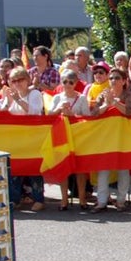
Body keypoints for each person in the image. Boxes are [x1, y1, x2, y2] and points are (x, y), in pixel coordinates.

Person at [90, 67, 131, 212]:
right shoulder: (103, 94)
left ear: (124, 81)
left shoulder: (129, 95)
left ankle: (121, 200)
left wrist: (115, 103)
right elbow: (94, 113)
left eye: (117, 78)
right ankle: (102, 201)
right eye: (111, 78)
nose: (113, 81)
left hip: (124, 137)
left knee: (123, 169)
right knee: (103, 168)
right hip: (106, 137)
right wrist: (106, 104)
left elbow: (130, 111)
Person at [0, 66, 46, 212]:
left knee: (34, 168)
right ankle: (15, 199)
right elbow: (3, 113)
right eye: (13, 81)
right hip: (16, 138)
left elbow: (34, 111)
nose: (17, 83)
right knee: (15, 168)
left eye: (20, 80)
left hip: (33, 137)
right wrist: (8, 100)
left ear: (27, 80)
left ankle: (38, 199)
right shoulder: (11, 95)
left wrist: (18, 100)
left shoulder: (34, 93)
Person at [49, 69, 92, 211]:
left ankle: (82, 199)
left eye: (71, 82)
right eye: (65, 82)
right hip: (62, 136)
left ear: (76, 83)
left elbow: (87, 117)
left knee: (80, 169)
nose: (67, 85)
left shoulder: (82, 98)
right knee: (63, 167)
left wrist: (72, 115)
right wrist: (59, 109)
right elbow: (49, 115)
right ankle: (64, 200)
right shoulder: (57, 97)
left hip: (78, 136)